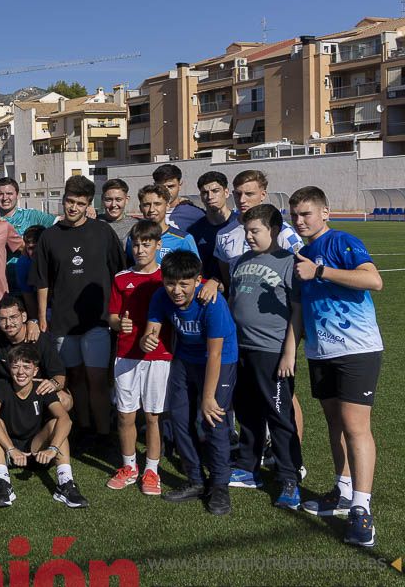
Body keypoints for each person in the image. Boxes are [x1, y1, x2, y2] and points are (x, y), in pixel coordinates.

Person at [289, 186, 383, 547]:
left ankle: (362, 509)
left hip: (356, 350)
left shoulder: (341, 241)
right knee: (335, 424)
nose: (300, 221)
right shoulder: (302, 254)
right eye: (295, 215)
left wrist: (321, 271)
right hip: (321, 352)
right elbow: (300, 309)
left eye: (306, 213)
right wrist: (292, 350)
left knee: (356, 427)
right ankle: (343, 491)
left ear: (324, 213)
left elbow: (373, 280)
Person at [141, 250, 239, 516]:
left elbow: (215, 354)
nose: (176, 291)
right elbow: (151, 330)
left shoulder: (212, 302)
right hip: (185, 359)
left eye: (184, 284)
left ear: (197, 280)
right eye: (170, 283)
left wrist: (208, 398)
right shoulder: (160, 296)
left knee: (213, 420)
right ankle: (196, 480)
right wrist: (146, 340)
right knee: (179, 418)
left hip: (220, 360)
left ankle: (219, 486)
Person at [31, 175, 125, 447]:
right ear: (63, 200)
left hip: (98, 320)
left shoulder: (103, 232)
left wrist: (117, 312)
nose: (73, 208)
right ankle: (83, 427)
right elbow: (42, 281)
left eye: (80, 203)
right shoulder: (49, 236)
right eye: (69, 201)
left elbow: (118, 275)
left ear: (89, 205)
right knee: (75, 378)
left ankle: (104, 431)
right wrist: (42, 317)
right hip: (63, 322)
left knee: (98, 379)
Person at [227, 205, 303, 508]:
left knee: (279, 415)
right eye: (246, 231)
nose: (248, 236)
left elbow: (297, 312)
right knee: (247, 411)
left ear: (273, 230)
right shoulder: (242, 261)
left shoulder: (289, 263)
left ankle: (289, 477)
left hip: (272, 352)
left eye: (254, 231)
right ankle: (248, 467)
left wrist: (289, 353)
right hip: (241, 350)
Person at [106, 220, 172, 496]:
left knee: (153, 416)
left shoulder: (166, 277)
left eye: (146, 244)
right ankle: (129, 466)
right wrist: (118, 324)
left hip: (159, 356)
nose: (140, 250)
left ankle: (152, 470)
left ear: (158, 245)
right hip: (126, 355)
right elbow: (111, 317)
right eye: (136, 245)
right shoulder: (121, 278)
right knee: (125, 415)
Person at [0, 344, 87, 509]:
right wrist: (11, 449)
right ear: (9, 368)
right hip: (7, 450)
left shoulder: (42, 388)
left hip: (36, 450)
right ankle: (2, 483)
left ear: (35, 370)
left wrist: (52, 448)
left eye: (26, 367)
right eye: (15, 366)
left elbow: (66, 420)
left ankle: (65, 483)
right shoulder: (1, 386)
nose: (21, 372)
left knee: (57, 423)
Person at [0, 294, 68, 408]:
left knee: (64, 399)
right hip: (5, 390)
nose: (8, 323)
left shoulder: (40, 338)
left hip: (37, 389)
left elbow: (59, 376)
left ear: (24, 316)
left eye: (13, 317)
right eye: (3, 319)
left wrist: (52, 384)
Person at [0, 176, 55, 292]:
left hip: (28, 283)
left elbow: (60, 222)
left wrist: (86, 212)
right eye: (0, 194)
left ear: (18, 195)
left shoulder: (31, 215)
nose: (5, 198)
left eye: (9, 193)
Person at [188, 172, 236, 295]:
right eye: (205, 192)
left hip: (237, 292)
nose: (210, 196)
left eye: (215, 191)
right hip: (205, 293)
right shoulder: (194, 230)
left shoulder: (240, 225)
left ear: (226, 192)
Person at [129, 184, 199, 264]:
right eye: (146, 205)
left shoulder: (183, 239)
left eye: (157, 204)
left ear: (167, 206)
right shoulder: (132, 238)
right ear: (140, 208)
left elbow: (195, 270)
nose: (151, 209)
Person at [153, 164, 205, 234]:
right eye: (161, 187)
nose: (166, 191)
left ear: (180, 185)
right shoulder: (149, 212)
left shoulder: (194, 214)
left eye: (170, 186)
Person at [13, 226, 43, 318]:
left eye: (36, 247)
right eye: (30, 248)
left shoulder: (58, 258)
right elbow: (29, 299)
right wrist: (35, 320)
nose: (34, 252)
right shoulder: (23, 265)